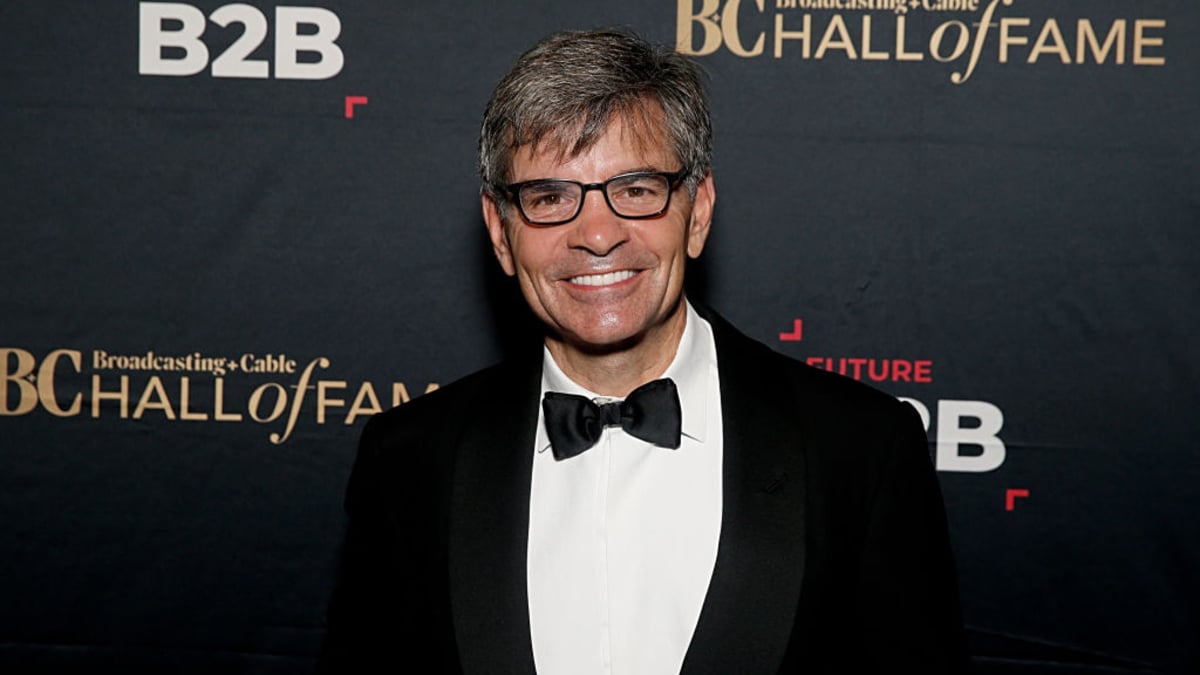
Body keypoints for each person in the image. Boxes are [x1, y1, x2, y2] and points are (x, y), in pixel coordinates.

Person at [318, 29, 968, 674]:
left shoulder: (861, 449)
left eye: (635, 188)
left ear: (699, 208)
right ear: (500, 232)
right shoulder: (408, 461)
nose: (597, 234)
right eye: (550, 197)